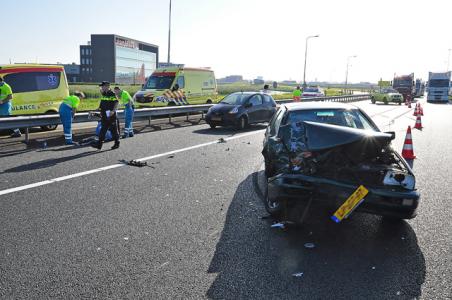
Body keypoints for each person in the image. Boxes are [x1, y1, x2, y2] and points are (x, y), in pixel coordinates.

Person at [92, 81, 120, 150]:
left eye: (103, 86)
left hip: (111, 116)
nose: (101, 87)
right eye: (101, 86)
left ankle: (117, 143)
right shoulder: (104, 94)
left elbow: (116, 103)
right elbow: (102, 104)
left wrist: (113, 111)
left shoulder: (111, 94)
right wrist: (97, 109)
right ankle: (99, 145)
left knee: (114, 130)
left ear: (107, 86)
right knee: (103, 130)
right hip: (104, 115)